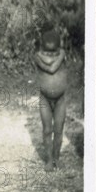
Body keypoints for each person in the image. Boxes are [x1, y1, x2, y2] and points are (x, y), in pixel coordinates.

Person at [33, 29, 68, 172]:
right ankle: (48, 160)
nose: (50, 56)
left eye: (54, 53)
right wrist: (59, 56)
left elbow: (51, 64)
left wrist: (57, 55)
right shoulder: (37, 56)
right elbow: (52, 68)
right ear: (42, 49)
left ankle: (56, 158)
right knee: (47, 130)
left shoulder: (61, 54)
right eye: (47, 53)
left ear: (58, 48)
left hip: (61, 99)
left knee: (58, 130)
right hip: (45, 99)